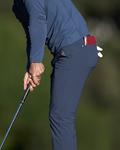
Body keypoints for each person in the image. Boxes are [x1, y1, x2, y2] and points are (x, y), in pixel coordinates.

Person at [12, 0, 102, 149]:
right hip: (77, 50)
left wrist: (36, 61)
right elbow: (31, 35)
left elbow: (38, 23)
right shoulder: (18, 6)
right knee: (61, 116)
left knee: (60, 117)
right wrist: (31, 67)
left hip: (75, 50)